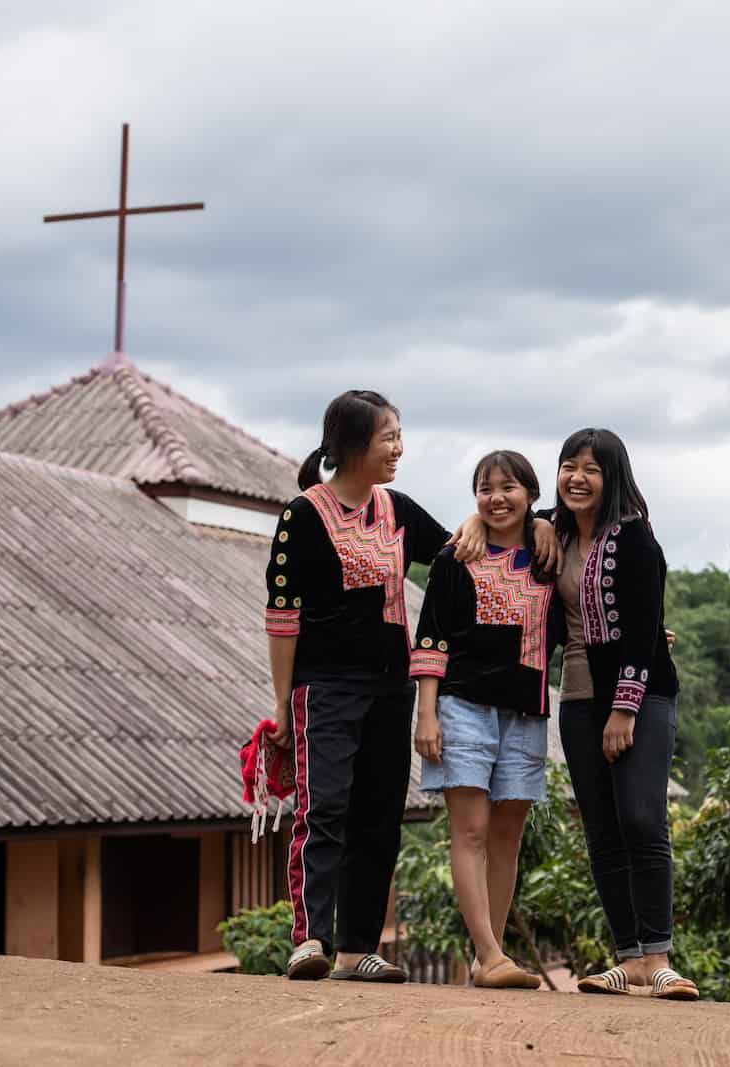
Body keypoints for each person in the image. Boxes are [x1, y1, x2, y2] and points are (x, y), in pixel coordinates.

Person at [459, 429, 697, 1000]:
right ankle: (628, 958)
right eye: (569, 466)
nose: (578, 478)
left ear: (613, 476)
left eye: (591, 468)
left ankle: (658, 958)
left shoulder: (636, 539)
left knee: (642, 819)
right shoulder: (554, 531)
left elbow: (643, 631)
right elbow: (503, 516)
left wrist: (625, 709)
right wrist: (472, 523)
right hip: (576, 698)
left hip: (641, 696)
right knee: (601, 830)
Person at [264, 390, 449, 983]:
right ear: (350, 446)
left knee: (378, 815)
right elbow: (283, 617)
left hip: (392, 689)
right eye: (387, 437)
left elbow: (458, 558)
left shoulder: (399, 510)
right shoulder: (304, 514)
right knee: (325, 810)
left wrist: (524, 530)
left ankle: (356, 947)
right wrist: (283, 705)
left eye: (398, 434)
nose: (398, 447)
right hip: (326, 689)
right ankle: (309, 940)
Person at [410, 451, 558, 990]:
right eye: (485, 489)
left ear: (531, 494)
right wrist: (426, 712)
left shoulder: (549, 554)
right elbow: (431, 636)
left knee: (507, 836)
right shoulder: (456, 556)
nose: (496, 498)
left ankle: (488, 959)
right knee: (469, 831)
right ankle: (491, 952)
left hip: (526, 711)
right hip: (462, 706)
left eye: (508, 487)